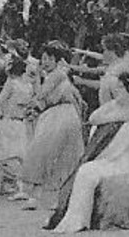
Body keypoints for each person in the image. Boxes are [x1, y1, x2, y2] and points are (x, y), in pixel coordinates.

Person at [45, 71, 129, 233]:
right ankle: (77, 219)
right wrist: (120, 116)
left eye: (120, 88)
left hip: (128, 160)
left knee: (91, 172)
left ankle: (80, 219)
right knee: (86, 170)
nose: (116, 92)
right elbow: (93, 119)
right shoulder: (113, 106)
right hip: (109, 158)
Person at [19, 44, 87, 211]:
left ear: (57, 60)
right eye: (44, 58)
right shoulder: (51, 76)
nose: (46, 62)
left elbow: (42, 94)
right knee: (44, 153)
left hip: (63, 115)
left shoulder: (58, 74)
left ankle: (57, 199)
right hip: (55, 115)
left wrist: (31, 103)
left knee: (54, 155)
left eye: (50, 58)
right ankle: (36, 196)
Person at [0, 58, 35, 200]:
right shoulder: (28, 86)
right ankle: (9, 183)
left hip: (9, 122)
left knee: (3, 153)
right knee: (19, 155)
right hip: (22, 123)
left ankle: (19, 184)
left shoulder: (12, 84)